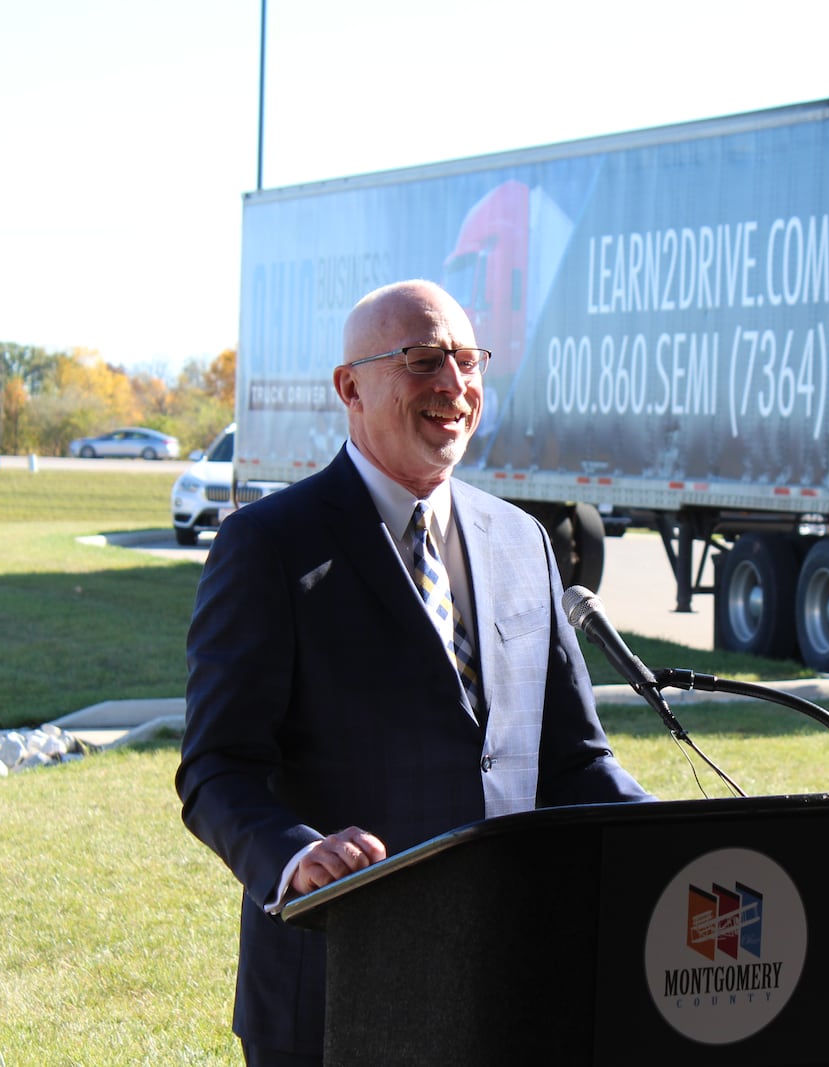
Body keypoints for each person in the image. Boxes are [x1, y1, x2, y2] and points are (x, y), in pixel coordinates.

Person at [177, 279, 651, 1065]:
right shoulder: (268, 546)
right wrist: (297, 856)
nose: (454, 385)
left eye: (467, 360)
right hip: (337, 991)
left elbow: (574, 762)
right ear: (350, 387)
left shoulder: (522, 540)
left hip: (513, 987)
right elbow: (216, 768)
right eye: (422, 360)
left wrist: (680, 840)